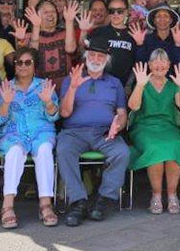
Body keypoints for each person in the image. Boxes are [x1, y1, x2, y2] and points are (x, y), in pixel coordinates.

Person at [57, 38, 130, 227]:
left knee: (122, 152)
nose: (96, 59)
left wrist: (118, 125)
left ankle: (104, 199)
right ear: (85, 57)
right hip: (74, 132)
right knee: (63, 150)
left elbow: (122, 113)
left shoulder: (115, 83)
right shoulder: (71, 79)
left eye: (100, 56)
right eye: (92, 55)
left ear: (107, 60)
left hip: (105, 133)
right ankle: (78, 201)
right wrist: (73, 87)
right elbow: (64, 113)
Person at [0, 48, 60, 228]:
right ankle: (7, 206)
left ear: (35, 65)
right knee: (14, 152)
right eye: (19, 62)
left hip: (41, 132)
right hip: (14, 134)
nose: (23, 66)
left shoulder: (44, 86)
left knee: (44, 150)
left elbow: (54, 116)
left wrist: (48, 102)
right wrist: (5, 102)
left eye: (27, 62)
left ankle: (45, 204)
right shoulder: (6, 87)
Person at [127, 54, 180, 214]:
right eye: (155, 60)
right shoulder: (142, 83)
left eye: (163, 61)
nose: (159, 64)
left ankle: (172, 195)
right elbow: (133, 106)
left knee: (175, 145)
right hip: (144, 128)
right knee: (155, 147)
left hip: (168, 128)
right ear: (149, 64)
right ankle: (156, 195)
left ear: (169, 65)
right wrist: (140, 85)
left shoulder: (173, 84)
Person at [25, 0, 80, 84]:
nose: (50, 14)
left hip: (65, 88)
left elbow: (71, 49)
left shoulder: (65, 33)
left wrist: (69, 21)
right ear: (37, 15)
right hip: (40, 89)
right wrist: (36, 27)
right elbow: (32, 54)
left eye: (53, 11)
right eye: (46, 12)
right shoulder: (30, 36)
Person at [85, 0, 136, 85]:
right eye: (112, 11)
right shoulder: (98, 32)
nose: (115, 14)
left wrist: (140, 43)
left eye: (120, 11)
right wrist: (83, 31)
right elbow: (84, 55)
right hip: (99, 84)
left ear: (127, 12)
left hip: (123, 86)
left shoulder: (134, 34)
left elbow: (137, 63)